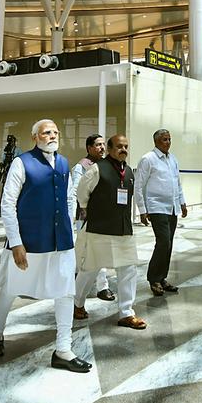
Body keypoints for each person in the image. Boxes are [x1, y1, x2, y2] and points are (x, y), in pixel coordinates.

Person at [0, 119, 91, 373]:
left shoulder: (65, 162)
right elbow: (8, 203)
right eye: (46, 132)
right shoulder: (22, 162)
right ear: (35, 137)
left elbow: (68, 198)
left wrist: (70, 231)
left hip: (61, 241)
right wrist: (16, 242)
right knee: (12, 287)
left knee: (66, 290)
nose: (52, 136)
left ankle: (63, 350)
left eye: (55, 132)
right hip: (29, 241)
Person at [73, 134, 146, 329]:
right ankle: (76, 304)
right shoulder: (97, 169)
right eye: (119, 146)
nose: (123, 149)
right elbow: (82, 193)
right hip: (100, 229)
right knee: (90, 269)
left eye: (126, 146)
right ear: (110, 149)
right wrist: (92, 210)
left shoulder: (129, 171)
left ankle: (126, 313)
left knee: (128, 269)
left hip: (123, 230)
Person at [135, 129, 187, 297]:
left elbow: (177, 183)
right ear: (156, 141)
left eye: (169, 139)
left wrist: (182, 202)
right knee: (163, 241)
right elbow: (139, 185)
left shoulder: (173, 159)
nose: (168, 142)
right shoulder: (148, 159)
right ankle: (153, 278)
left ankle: (162, 277)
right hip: (156, 207)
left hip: (172, 207)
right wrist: (142, 210)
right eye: (165, 139)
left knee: (169, 243)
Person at [71, 134, 114, 303]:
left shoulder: (106, 165)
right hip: (86, 218)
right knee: (94, 251)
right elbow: (75, 192)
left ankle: (77, 278)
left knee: (92, 251)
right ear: (89, 148)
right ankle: (102, 287)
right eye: (98, 145)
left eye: (103, 144)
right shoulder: (81, 167)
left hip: (104, 217)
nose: (102, 148)